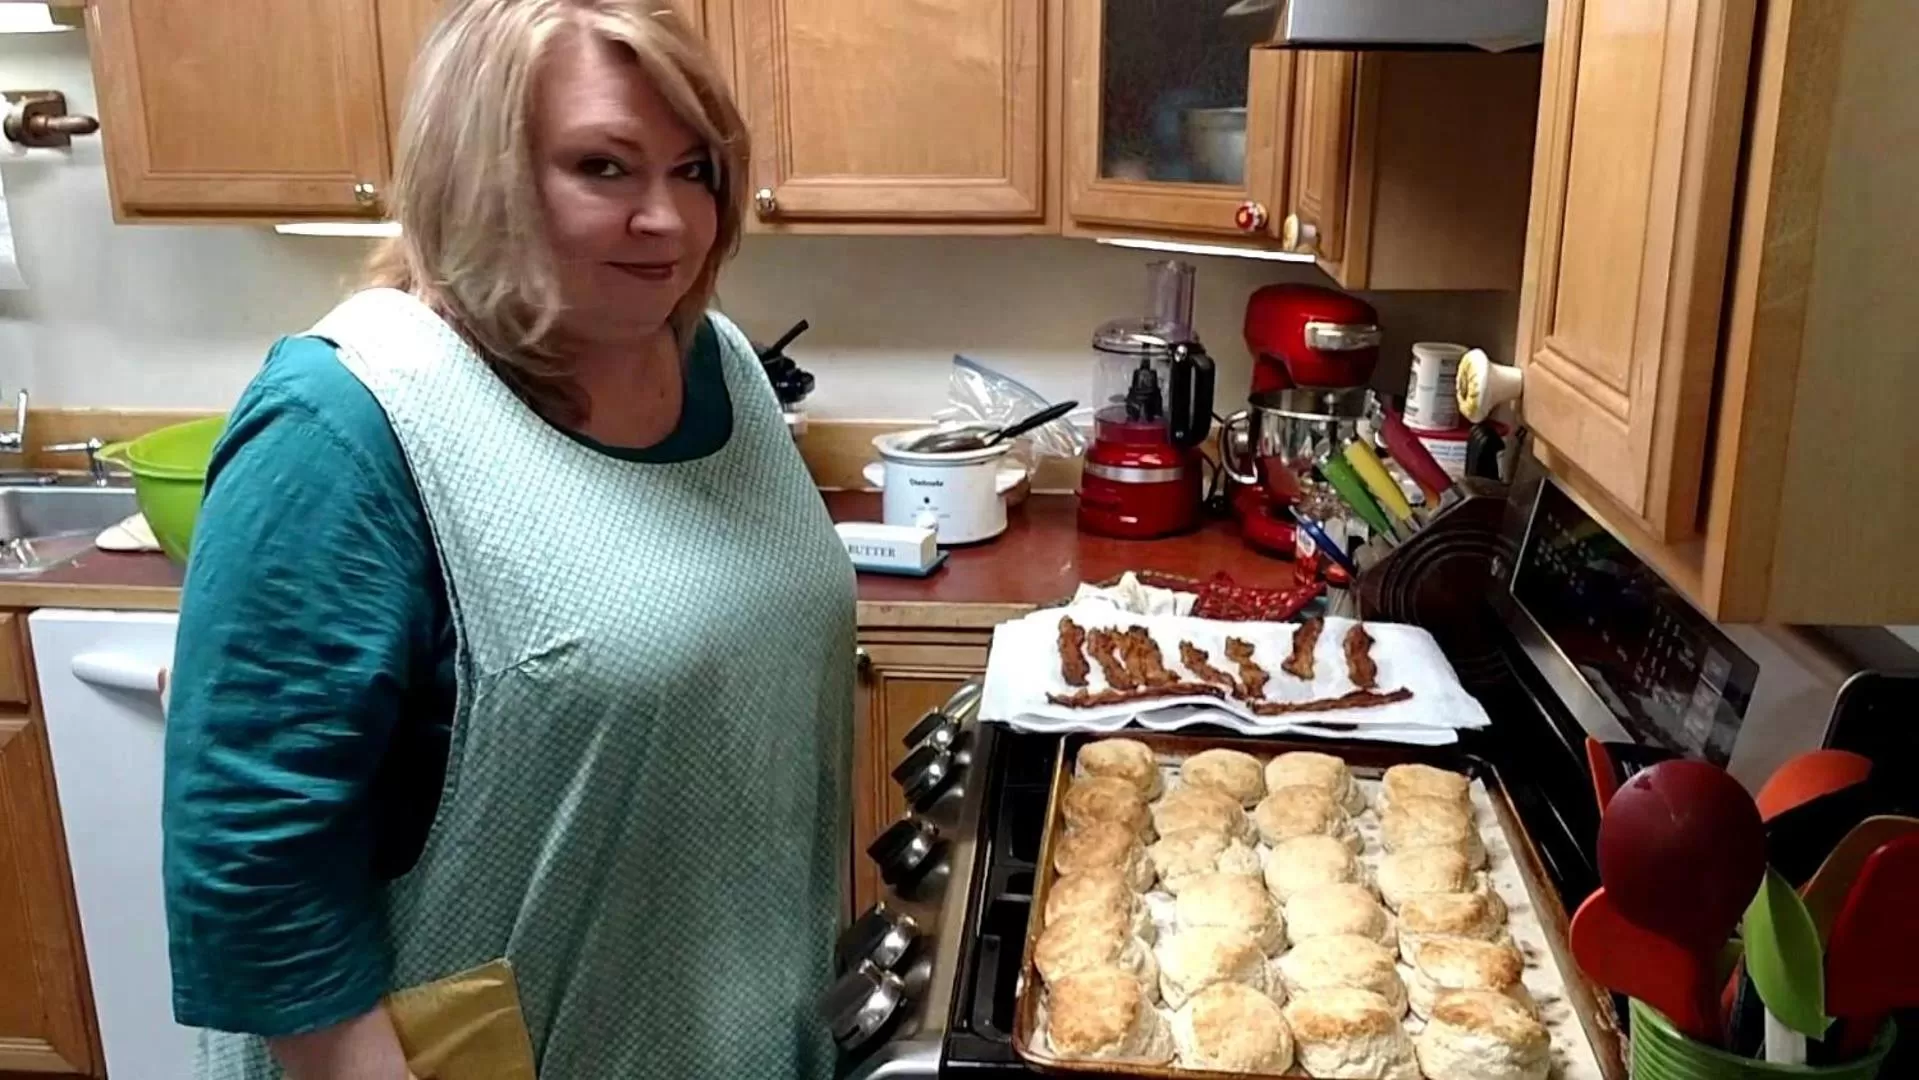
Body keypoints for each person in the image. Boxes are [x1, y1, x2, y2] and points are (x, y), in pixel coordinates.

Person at [160, 2, 855, 1078]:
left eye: (694, 170)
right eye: (603, 167)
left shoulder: (718, 363)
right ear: (473, 172)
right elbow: (258, 892)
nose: (668, 219)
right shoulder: (343, 426)